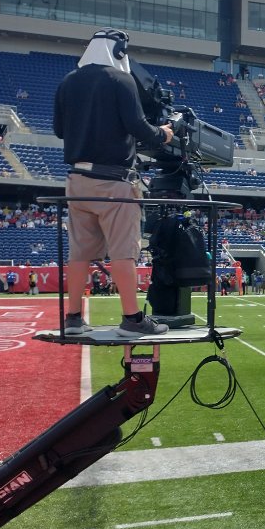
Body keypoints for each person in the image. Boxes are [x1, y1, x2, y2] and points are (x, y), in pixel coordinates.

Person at [54, 29, 173, 337]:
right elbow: (137, 126)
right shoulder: (121, 80)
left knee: (79, 252)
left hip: (76, 181)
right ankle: (132, 319)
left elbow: (58, 130)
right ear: (119, 52)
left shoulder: (68, 81)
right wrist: (164, 133)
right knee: (123, 251)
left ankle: (73, 319)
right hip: (114, 181)